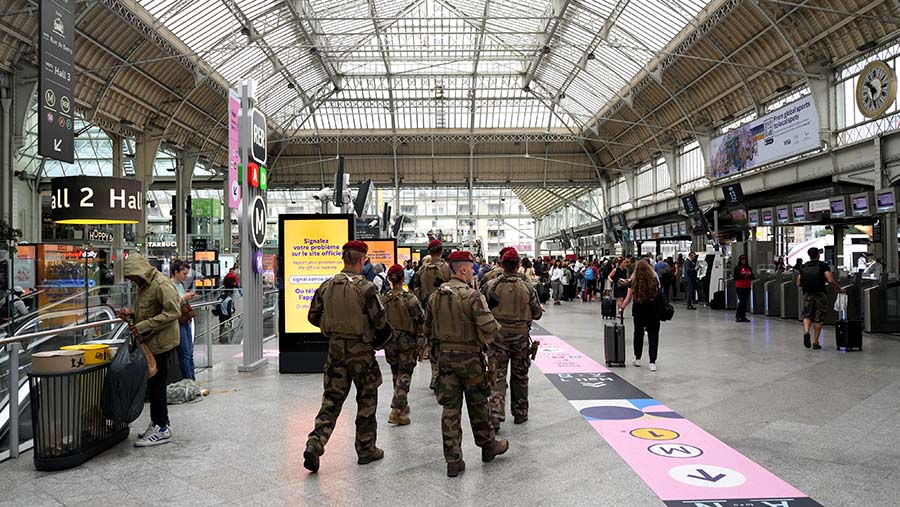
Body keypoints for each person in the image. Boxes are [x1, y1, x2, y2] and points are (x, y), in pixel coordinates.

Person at [303, 241, 392, 473]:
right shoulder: (367, 288)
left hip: (335, 351)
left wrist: (333, 329)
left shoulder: (326, 286)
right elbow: (381, 323)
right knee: (366, 400)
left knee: (331, 400)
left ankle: (315, 443)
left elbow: (312, 316)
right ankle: (365, 449)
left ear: (344, 259)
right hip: (361, 352)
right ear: (362, 260)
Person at [424, 250, 509, 477]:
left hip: (445, 359)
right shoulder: (473, 296)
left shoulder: (434, 297)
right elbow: (490, 328)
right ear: (462, 269)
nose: (472, 272)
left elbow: (427, 330)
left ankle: (453, 460)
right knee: (478, 404)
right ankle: (488, 447)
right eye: (470, 268)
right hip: (470, 358)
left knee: (450, 409)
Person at [119, 253, 181, 447]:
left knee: (157, 385)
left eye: (132, 277)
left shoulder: (161, 285)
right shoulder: (144, 285)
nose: (131, 281)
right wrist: (133, 315)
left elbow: (173, 312)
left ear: (140, 272)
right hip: (152, 342)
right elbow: (150, 310)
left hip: (162, 343)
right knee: (155, 385)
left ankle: (161, 428)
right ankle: (159, 423)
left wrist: (143, 325)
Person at [484, 248, 543, 431]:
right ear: (518, 265)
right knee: (520, 375)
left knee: (497, 375)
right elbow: (537, 313)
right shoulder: (527, 287)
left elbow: (482, 310)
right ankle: (520, 412)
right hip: (521, 339)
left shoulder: (491, 285)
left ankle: (495, 414)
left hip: (498, 337)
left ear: (502, 265)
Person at [382, 264, 425, 426]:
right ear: (403, 279)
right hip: (407, 342)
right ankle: (396, 411)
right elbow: (421, 320)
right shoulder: (410, 299)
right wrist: (422, 341)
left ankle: (402, 403)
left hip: (390, 341)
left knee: (396, 372)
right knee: (405, 374)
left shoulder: (383, 299)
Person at [410, 239, 454, 390]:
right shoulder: (448, 269)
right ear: (441, 251)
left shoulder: (421, 270)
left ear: (429, 252)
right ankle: (444, 375)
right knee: (445, 343)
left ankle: (434, 373)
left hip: (427, 311)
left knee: (432, 343)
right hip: (446, 312)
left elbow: (415, 289)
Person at [798, 247, 845, 350]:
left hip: (807, 294)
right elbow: (830, 280)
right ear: (818, 255)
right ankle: (815, 342)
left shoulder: (804, 266)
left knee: (807, 315)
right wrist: (839, 289)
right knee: (819, 317)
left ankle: (806, 332)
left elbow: (798, 282)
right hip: (820, 294)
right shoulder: (823, 266)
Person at [620, 261, 662, 372]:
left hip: (639, 310)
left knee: (638, 334)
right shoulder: (654, 279)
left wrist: (622, 308)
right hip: (653, 310)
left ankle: (637, 358)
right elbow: (659, 294)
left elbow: (628, 298)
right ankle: (652, 362)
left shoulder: (634, 280)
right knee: (653, 336)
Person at [170, 260, 198, 380]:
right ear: (176, 272)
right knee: (185, 354)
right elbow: (171, 304)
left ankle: (192, 380)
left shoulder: (180, 285)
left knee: (189, 353)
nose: (185, 276)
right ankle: (188, 380)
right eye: (183, 273)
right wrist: (183, 298)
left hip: (185, 321)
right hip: (178, 323)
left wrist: (187, 298)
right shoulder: (170, 286)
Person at [733, 255, 753, 323]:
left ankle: (743, 316)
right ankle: (738, 315)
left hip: (747, 286)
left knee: (745, 302)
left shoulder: (748, 268)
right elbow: (735, 277)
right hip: (740, 287)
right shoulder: (737, 268)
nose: (744, 261)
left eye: (745, 260)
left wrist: (749, 275)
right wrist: (741, 274)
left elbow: (752, 277)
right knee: (741, 301)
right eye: (742, 260)